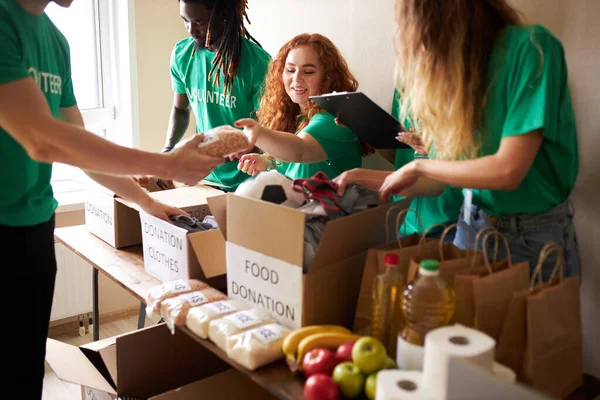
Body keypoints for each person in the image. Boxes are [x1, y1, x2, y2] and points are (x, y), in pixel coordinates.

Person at [0, 1, 224, 398]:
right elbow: (42, 139)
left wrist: (145, 202)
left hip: (35, 227)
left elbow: (80, 146)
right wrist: (169, 164)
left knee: (23, 370)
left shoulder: (55, 40)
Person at [335, 0, 579, 280]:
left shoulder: (532, 48)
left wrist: (420, 166)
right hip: (471, 222)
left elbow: (507, 171)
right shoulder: (457, 75)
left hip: (531, 236)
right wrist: (358, 175)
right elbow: (439, 182)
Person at [161, 0, 271, 191]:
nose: (190, 30)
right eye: (185, 20)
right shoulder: (182, 54)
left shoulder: (259, 64)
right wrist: (168, 150)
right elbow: (180, 110)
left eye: (199, 22)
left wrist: (242, 149)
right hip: (205, 181)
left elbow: (269, 129)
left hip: (249, 180)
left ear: (224, 15)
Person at [234, 33, 362, 181]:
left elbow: (300, 150)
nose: (296, 78)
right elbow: (293, 160)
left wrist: (259, 133)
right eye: (290, 70)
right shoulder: (295, 114)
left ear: (328, 77)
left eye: (308, 72)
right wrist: (268, 162)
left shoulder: (332, 118)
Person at [386, 89, 464, 241]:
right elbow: (393, 153)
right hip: (403, 218)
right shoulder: (402, 86)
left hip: (445, 222)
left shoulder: (458, 92)